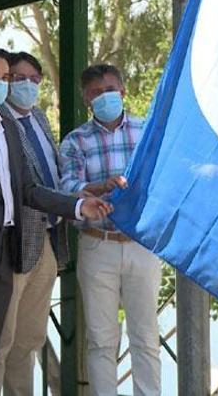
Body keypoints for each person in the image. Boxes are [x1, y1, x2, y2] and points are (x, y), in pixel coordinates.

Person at [0, 46, 112, 396]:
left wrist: (77, 206)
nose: (2, 85)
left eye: (6, 78)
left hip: (9, 252)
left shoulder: (10, 130)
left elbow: (29, 190)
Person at [59, 64, 161, 396]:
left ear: (124, 91)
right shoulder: (75, 142)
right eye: (96, 92)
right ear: (86, 99)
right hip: (96, 243)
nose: (105, 96)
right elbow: (68, 189)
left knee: (145, 337)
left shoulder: (147, 132)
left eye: (110, 89)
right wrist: (101, 187)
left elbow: (160, 183)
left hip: (142, 245)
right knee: (101, 340)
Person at [0, 52, 68, 396]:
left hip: (46, 240)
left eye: (35, 79)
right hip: (12, 245)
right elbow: (26, 186)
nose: (28, 85)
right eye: (19, 78)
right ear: (5, 81)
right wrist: (75, 204)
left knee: (30, 338)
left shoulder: (38, 117)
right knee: (0, 341)